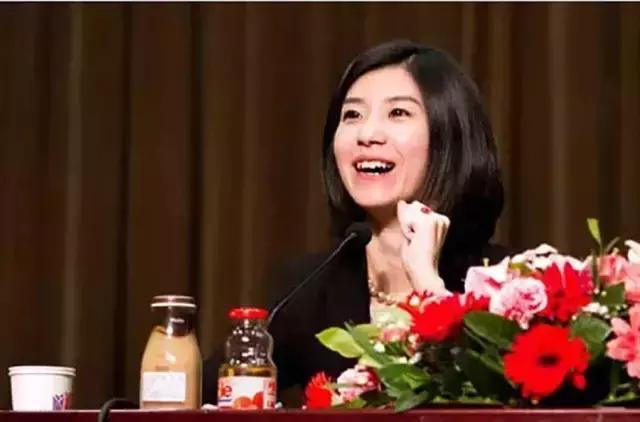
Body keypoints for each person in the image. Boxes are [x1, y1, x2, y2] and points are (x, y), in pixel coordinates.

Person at [202, 39, 508, 406]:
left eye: (398, 113)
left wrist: (427, 282)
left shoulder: (510, 285)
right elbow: (204, 398)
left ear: (450, 134)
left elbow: (495, 400)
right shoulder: (310, 287)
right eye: (352, 116)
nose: (366, 135)